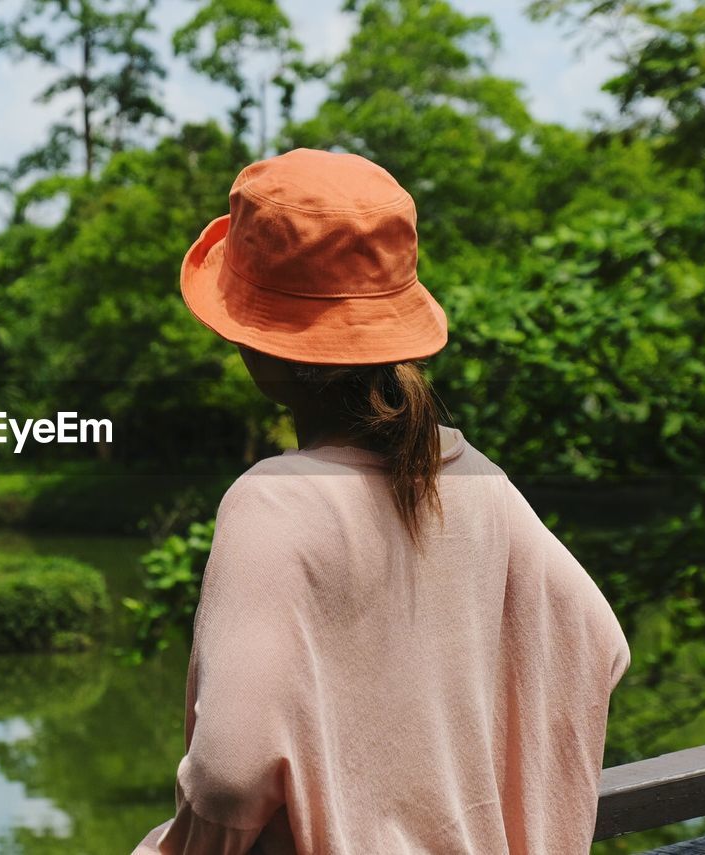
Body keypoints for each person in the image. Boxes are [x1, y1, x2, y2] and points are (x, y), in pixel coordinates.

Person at [131, 148, 631, 854]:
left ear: (261, 347)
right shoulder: (476, 477)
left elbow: (229, 778)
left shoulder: (270, 505)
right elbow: (597, 644)